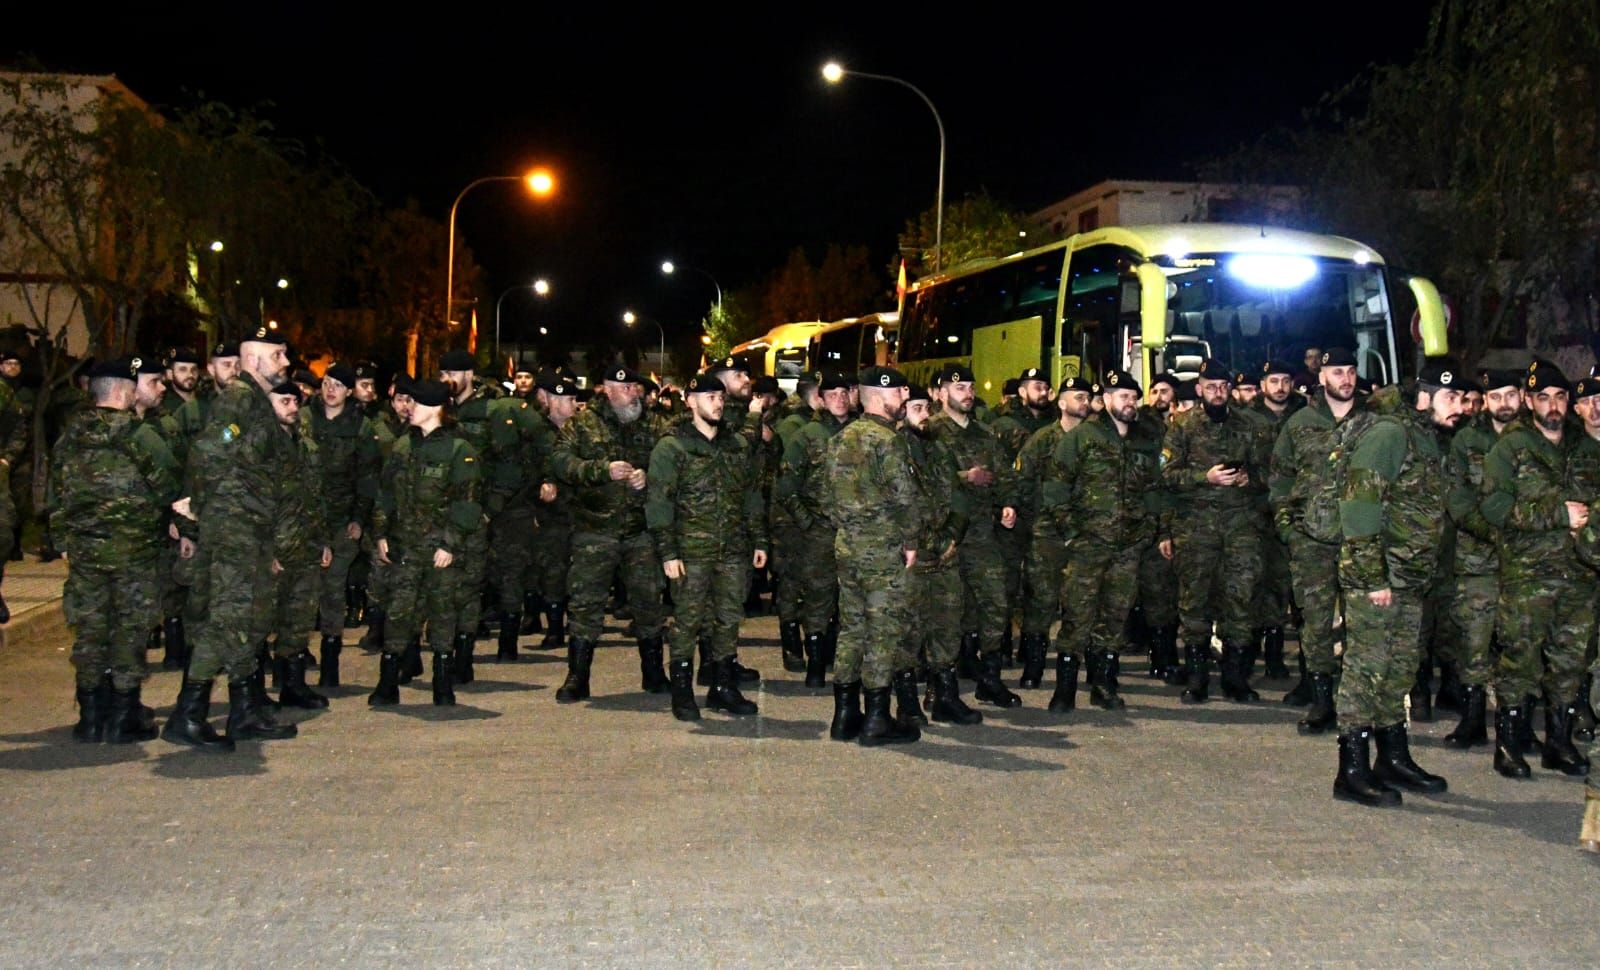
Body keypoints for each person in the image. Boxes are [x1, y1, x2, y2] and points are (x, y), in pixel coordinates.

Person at [1331, 358, 1466, 806]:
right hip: (1379, 578)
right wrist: (1373, 576)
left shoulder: (1428, 438)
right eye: (1451, 398)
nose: (1460, 408)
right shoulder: (1391, 434)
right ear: (1425, 397)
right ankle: (1351, 770)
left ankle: (1392, 756)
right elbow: (1359, 503)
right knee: (1366, 670)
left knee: (1399, 670)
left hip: (1408, 579)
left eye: (1463, 399)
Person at [163, 327, 298, 750]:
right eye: (278, 356)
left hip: (249, 524)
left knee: (249, 615)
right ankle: (188, 713)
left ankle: (244, 710)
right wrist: (205, 504)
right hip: (234, 525)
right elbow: (212, 447)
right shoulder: (240, 400)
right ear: (254, 360)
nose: (286, 363)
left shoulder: (254, 402)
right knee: (228, 618)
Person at [48, 356, 181, 743]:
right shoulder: (137, 434)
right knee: (128, 629)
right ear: (124, 391)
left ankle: (90, 716)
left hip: (85, 553)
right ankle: (124, 715)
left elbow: (55, 494)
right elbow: (169, 483)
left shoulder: (70, 435)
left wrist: (63, 542)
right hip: (132, 553)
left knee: (90, 630)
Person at [1480, 361, 1592, 778]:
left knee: (1569, 661)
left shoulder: (1584, 449)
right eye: (1542, 398)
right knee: (1520, 660)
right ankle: (1509, 745)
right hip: (1528, 576)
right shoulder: (1510, 448)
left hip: (1579, 575)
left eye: (1559, 397)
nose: (1552, 406)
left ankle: (1558, 743)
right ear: (1529, 402)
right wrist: (1555, 514)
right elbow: (1493, 507)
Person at [646, 374, 768, 721]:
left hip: (731, 549)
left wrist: (758, 539)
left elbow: (750, 495)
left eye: (720, 397)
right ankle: (682, 693)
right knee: (687, 621)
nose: (717, 402)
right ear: (690, 401)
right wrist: (668, 552)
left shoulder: (734, 446)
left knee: (728, 619)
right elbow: (659, 503)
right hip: (690, 551)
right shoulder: (672, 447)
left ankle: (723, 688)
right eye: (709, 396)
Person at [550, 364, 668, 702]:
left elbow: (674, 462)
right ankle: (578, 675)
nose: (635, 394)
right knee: (586, 603)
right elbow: (560, 461)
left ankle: (654, 671)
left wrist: (649, 476)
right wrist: (601, 471)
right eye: (628, 388)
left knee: (648, 601)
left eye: (637, 388)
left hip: (639, 530)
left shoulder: (656, 424)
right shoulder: (583, 424)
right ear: (608, 389)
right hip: (594, 528)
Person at [1042, 370, 1157, 711]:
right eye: (1123, 397)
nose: (1130, 403)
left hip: (1128, 546)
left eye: (1134, 397)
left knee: (1116, 615)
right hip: (1089, 544)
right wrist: (1072, 533)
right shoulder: (1083, 437)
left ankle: (1103, 684)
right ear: (1106, 400)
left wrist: (1148, 528)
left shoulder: (1143, 439)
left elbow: (1153, 489)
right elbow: (1056, 487)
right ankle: (1064, 690)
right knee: (1078, 614)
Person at [1160, 359, 1273, 704]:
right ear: (1199, 389)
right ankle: (1197, 679)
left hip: (1241, 528)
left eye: (1223, 386)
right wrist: (1203, 478)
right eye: (1211, 387)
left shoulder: (1252, 426)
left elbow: (1274, 473)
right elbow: (1165, 476)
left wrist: (1249, 479)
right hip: (1196, 529)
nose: (1218, 392)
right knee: (1194, 602)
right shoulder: (1181, 427)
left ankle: (1235, 678)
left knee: (1240, 601)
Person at [1269, 349, 1370, 733]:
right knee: (1315, 623)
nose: (1345, 379)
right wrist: (1288, 530)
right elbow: (1279, 480)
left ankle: (1356, 698)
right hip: (1312, 540)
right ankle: (1321, 699)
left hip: (1362, 539)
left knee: (1362, 622)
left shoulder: (1373, 422)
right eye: (1336, 372)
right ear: (1321, 376)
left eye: (1350, 371)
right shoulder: (1300, 424)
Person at [367, 379, 483, 708]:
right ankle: (388, 683)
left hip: (439, 551)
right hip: (405, 548)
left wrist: (450, 544)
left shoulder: (460, 450)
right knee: (399, 614)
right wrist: (381, 534)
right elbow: (385, 493)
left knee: (443, 614)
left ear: (433, 408)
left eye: (414, 403)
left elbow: (468, 502)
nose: (408, 408)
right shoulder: (404, 445)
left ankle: (442, 683)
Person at [825, 366, 922, 746]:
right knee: (883, 631)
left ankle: (845, 715)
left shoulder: (841, 438)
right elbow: (904, 497)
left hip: (847, 546)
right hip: (882, 550)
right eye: (901, 393)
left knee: (851, 629)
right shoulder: (888, 441)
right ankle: (878, 719)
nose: (904, 400)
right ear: (882, 396)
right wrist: (911, 539)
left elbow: (827, 497)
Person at [928, 364, 1021, 708]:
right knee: (947, 611)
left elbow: (1004, 475)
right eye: (958, 388)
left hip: (981, 534)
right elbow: (921, 479)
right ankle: (940, 684)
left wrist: (1007, 504)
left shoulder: (985, 433)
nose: (966, 393)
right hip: (944, 536)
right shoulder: (930, 431)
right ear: (941, 393)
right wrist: (965, 476)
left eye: (969, 386)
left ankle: (990, 678)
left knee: (995, 603)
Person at [1439, 369, 1523, 747]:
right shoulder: (1466, 440)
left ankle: (1517, 727)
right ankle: (1472, 721)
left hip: (1530, 560)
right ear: (1484, 400)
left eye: (1510, 395)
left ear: (1521, 396)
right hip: (1478, 561)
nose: (1503, 403)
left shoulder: (1538, 440)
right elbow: (1457, 499)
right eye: (1496, 396)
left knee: (1523, 642)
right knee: (1474, 642)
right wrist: (1495, 533)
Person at [902, 383, 981, 725]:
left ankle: (945, 696)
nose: (924, 415)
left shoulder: (940, 449)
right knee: (908, 630)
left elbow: (959, 496)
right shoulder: (892, 450)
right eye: (916, 409)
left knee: (947, 625)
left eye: (925, 408)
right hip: (910, 556)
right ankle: (907, 703)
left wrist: (953, 535)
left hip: (943, 553)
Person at [776, 371, 854, 687]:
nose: (839, 399)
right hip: (820, 532)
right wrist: (807, 522)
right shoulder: (807, 435)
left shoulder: (861, 432)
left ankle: (845, 661)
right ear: (820, 399)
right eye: (831, 394)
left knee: (851, 599)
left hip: (855, 533)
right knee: (818, 598)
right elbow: (786, 485)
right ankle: (816, 662)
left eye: (844, 393)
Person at [1015, 377, 1093, 691]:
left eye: (1087, 397)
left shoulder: (1097, 439)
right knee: (1040, 601)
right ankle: (1033, 668)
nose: (1084, 402)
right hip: (1047, 533)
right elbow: (1022, 478)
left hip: (1086, 531)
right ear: (1061, 403)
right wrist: (1031, 516)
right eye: (1078, 396)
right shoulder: (1042, 439)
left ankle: (1077, 666)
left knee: (1082, 600)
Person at [305, 363, 380, 686]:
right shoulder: (304, 419)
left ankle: (330, 662)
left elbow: (367, 477)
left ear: (349, 391)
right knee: (301, 590)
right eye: (327, 382)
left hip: (341, 521)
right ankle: (290, 662)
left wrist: (358, 520)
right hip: (304, 519)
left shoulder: (361, 428)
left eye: (338, 385)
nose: (330, 389)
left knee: (333, 588)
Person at [266, 380, 333, 710]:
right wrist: (266, 550)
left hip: (305, 546)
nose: (293, 407)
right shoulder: (261, 448)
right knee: (261, 622)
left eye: (295, 401)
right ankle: (253, 691)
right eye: (284, 401)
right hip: (274, 549)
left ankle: (293, 685)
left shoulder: (307, 447)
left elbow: (317, 498)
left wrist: (323, 541)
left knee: (299, 620)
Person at [531, 375, 577, 648]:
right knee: (552, 572)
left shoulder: (582, 432)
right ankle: (554, 628)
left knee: (579, 572)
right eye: (568, 400)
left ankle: (577, 622)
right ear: (553, 402)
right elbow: (527, 468)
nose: (573, 405)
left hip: (579, 512)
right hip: (551, 515)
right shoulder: (538, 433)